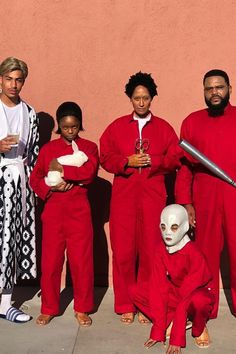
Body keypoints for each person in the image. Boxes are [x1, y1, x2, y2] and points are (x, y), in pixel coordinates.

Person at [100, 72, 181, 324]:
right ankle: (126, 303)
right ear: (130, 99)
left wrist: (154, 161)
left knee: (150, 251)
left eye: (146, 98)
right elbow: (105, 157)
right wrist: (126, 161)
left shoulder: (164, 128)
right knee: (123, 252)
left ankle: (146, 302)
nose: (142, 102)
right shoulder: (116, 127)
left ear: (152, 98)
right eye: (137, 98)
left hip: (153, 197)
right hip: (124, 198)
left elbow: (175, 157)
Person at [30, 101, 99, 326]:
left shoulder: (89, 147)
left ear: (80, 125)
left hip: (79, 212)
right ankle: (49, 307)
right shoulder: (48, 149)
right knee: (50, 262)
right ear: (59, 126)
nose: (70, 131)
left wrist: (63, 171)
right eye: (66, 127)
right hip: (53, 212)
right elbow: (35, 178)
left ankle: (82, 308)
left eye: (75, 126)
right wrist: (51, 187)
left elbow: (89, 172)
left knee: (81, 263)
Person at [175, 69, 236, 319]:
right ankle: (205, 308)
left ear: (229, 89)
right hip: (205, 199)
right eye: (209, 88)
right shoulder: (192, 121)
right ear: (203, 91)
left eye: (219, 87)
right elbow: (185, 169)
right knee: (205, 255)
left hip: (234, 196)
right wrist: (186, 203)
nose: (214, 93)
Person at [131, 204, 215, 353]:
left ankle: (198, 326)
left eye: (174, 227)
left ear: (184, 228)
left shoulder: (194, 254)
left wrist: (176, 338)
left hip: (194, 295)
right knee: (135, 291)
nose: (167, 233)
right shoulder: (160, 249)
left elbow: (186, 295)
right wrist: (157, 331)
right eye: (163, 227)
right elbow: (158, 288)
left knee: (200, 301)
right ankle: (169, 321)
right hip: (176, 292)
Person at [0, 57, 39, 323]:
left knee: (11, 240)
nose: (14, 85)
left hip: (18, 185)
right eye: (9, 79)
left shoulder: (30, 113)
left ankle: (5, 302)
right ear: (1, 79)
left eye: (19, 80)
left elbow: (34, 153)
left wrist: (32, 186)